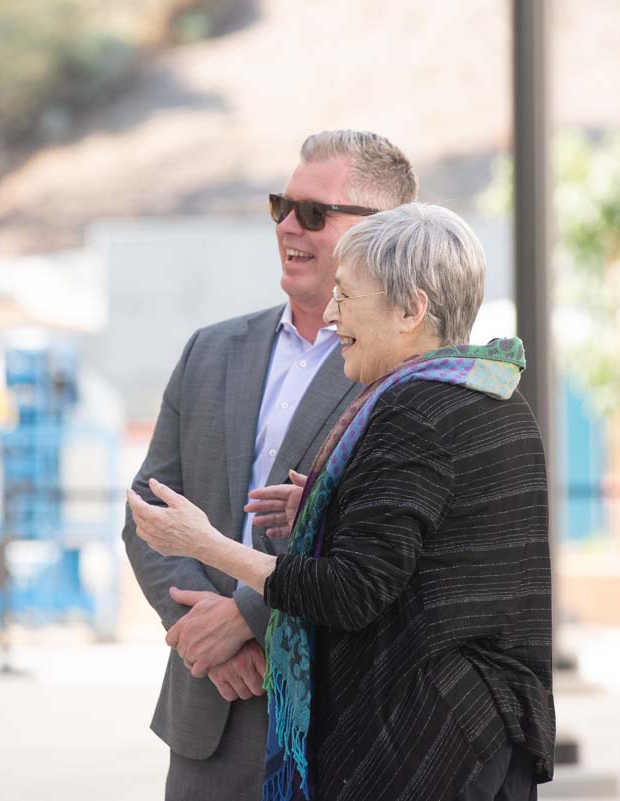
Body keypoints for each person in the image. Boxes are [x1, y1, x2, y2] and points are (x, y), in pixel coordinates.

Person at [128, 203, 556, 801]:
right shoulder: (489, 393)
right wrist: (336, 506)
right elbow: (436, 549)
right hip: (479, 740)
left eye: (346, 297)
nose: (331, 316)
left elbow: (350, 592)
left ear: (412, 309)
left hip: (427, 747)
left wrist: (206, 545)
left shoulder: (412, 412)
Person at [122, 130, 418, 801]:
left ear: (384, 234)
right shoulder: (212, 350)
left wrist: (248, 618)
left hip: (336, 726)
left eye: (314, 212)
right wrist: (207, 631)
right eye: (282, 205)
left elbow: (386, 546)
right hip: (209, 718)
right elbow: (146, 507)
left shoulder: (407, 374)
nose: (288, 224)